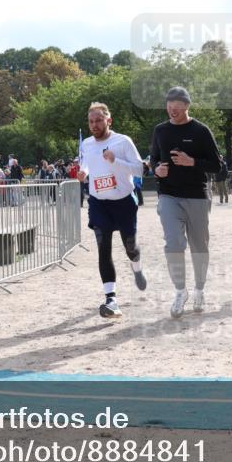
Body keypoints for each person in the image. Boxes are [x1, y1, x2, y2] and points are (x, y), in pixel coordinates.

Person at [150, 86, 222, 318]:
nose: (172, 110)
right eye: (169, 106)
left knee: (199, 247)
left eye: (177, 106)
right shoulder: (160, 130)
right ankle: (180, 292)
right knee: (173, 244)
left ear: (187, 106)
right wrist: (156, 169)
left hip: (197, 195)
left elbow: (218, 166)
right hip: (169, 195)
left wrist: (192, 162)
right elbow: (153, 161)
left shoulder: (201, 131)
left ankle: (199, 290)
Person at [79, 103, 147, 318]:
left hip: (123, 202)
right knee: (103, 247)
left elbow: (140, 169)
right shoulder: (87, 144)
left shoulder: (122, 141)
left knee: (130, 247)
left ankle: (136, 266)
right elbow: (88, 164)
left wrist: (115, 160)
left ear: (109, 120)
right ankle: (111, 299)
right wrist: (83, 172)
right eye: (91, 121)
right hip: (99, 202)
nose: (95, 125)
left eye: (99, 120)